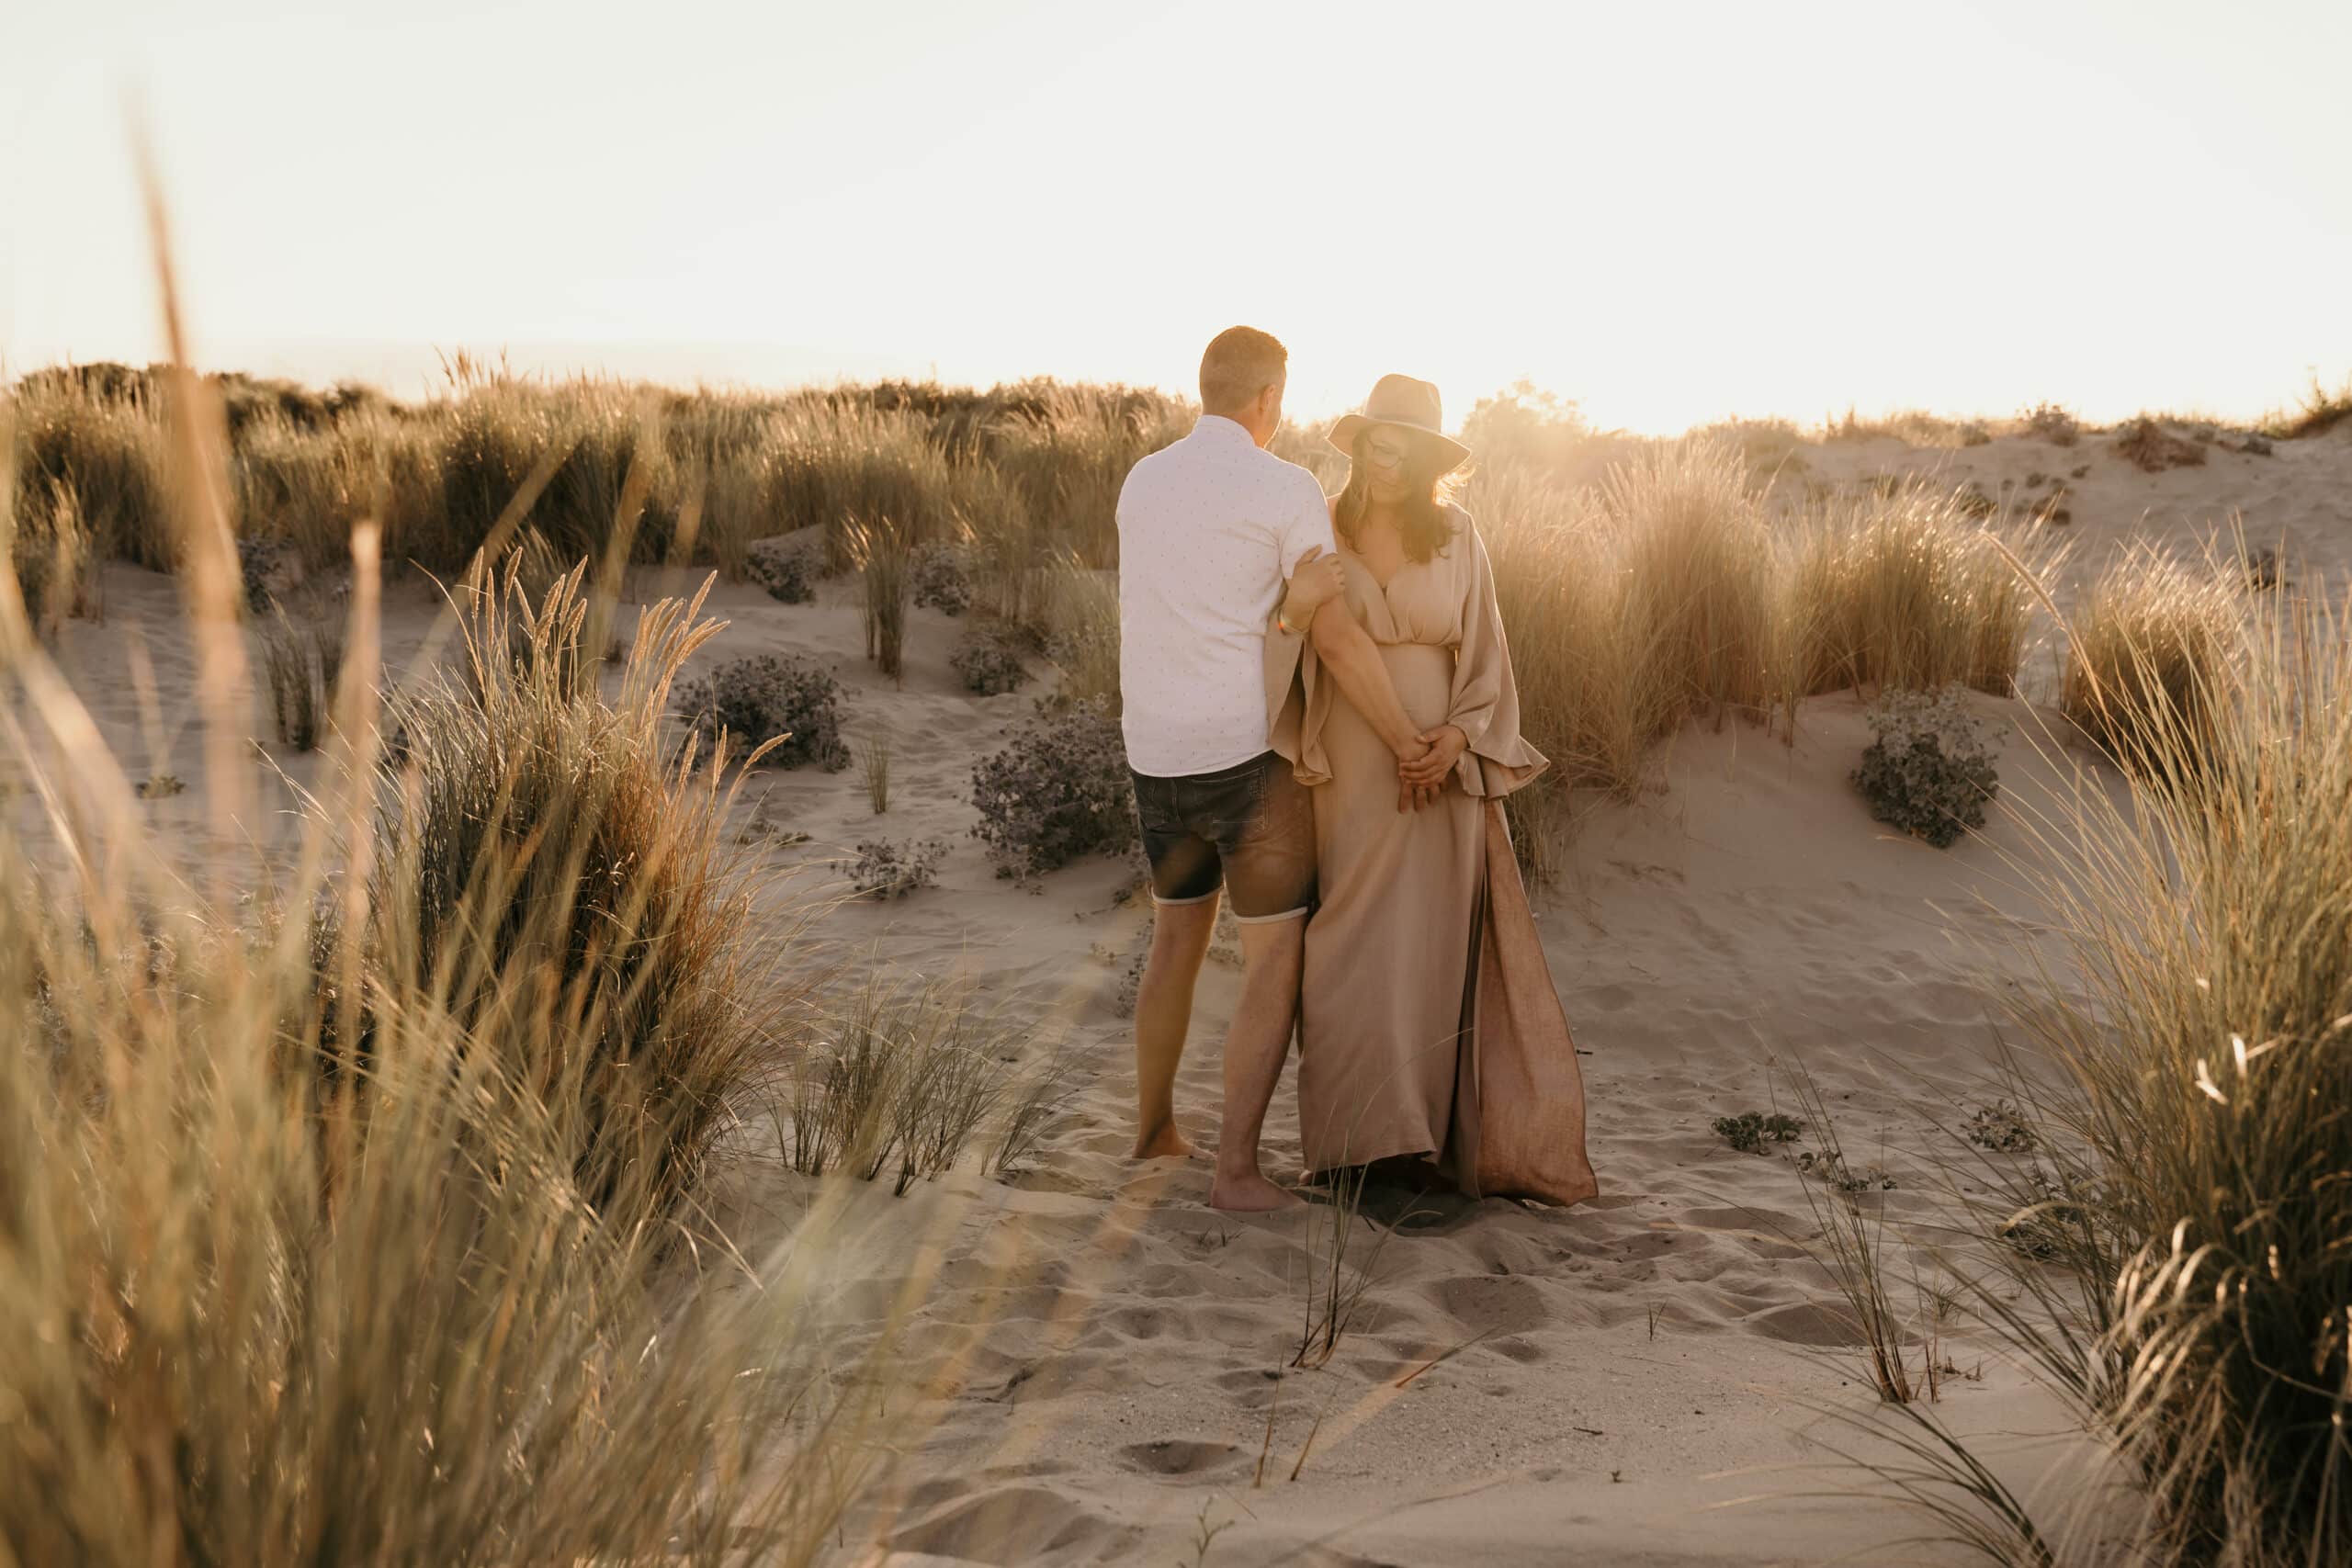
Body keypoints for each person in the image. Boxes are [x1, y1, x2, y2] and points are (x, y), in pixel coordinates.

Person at [1116, 328, 1430, 1212]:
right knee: (1272, 959)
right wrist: (1407, 737)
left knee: (1175, 939)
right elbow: (1333, 634)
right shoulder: (1288, 489)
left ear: (1206, 387)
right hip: (1246, 759)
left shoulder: (1142, 482)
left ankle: (1152, 1131)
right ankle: (1237, 1173)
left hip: (1155, 755)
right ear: (1268, 399)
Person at [1276, 374, 1598, 1205]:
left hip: (1441, 770)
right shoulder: (1322, 527)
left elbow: (1487, 657)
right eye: (1373, 443)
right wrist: (1394, 739)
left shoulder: (1457, 535)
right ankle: (1352, 1148)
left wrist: (1453, 739)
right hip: (1350, 762)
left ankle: (1416, 1147)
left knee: (1430, 945)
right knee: (1348, 937)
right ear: (1356, 445)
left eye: (1402, 448)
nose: (1384, 461)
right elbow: (1296, 632)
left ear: (1426, 460)